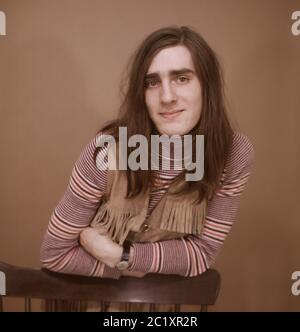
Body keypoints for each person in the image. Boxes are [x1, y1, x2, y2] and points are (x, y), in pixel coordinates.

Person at [40, 25, 254, 307]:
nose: (166, 97)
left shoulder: (234, 154)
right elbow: (55, 253)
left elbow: (202, 253)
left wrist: (118, 255)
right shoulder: (105, 150)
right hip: (90, 304)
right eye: (152, 82)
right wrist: (145, 270)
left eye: (181, 78)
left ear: (207, 85)